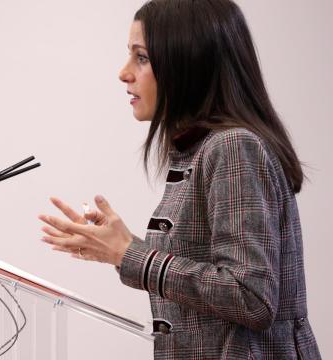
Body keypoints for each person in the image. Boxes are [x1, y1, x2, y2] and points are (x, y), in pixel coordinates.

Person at [38, 0, 321, 358]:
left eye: (141, 57)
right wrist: (115, 247)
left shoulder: (233, 146)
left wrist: (131, 254)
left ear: (188, 62)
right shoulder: (204, 147)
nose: (124, 73)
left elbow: (251, 297)